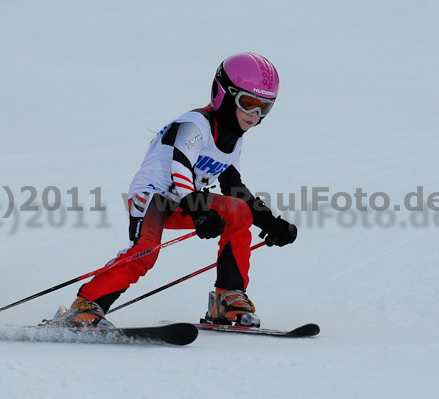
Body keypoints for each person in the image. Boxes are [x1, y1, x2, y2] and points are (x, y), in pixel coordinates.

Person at [57, 52, 297, 328]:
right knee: (146, 252)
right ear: (224, 95)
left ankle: (228, 297)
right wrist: (200, 212)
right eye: (248, 103)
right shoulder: (195, 125)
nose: (254, 115)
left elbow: (234, 188)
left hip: (186, 204)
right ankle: (86, 306)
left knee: (238, 211)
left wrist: (270, 222)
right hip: (153, 198)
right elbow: (179, 167)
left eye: (264, 108)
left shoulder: (234, 141)